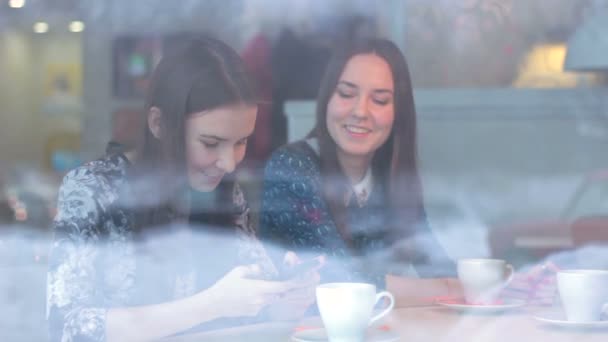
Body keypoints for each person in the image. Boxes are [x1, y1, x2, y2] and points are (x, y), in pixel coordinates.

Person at [47, 36, 320, 342]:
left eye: (241, 142)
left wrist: (287, 295)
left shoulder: (224, 191)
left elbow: (256, 299)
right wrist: (210, 306)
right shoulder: (92, 188)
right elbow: (68, 326)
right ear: (159, 124)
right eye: (211, 143)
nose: (229, 164)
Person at [260, 38, 459, 304]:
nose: (360, 111)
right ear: (327, 99)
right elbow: (342, 278)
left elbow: (436, 265)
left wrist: (496, 283)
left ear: (397, 113)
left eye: (379, 99)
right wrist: (448, 291)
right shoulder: (292, 167)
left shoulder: (392, 178)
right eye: (346, 94)